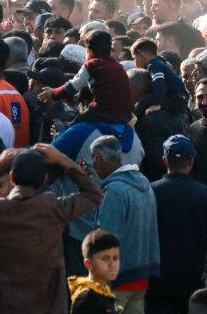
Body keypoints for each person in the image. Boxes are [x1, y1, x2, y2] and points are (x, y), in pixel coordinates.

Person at [0, 143, 103, 314]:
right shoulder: (55, 208)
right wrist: (62, 159)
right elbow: (94, 194)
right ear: (45, 180)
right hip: (44, 304)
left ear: (11, 178)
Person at [147, 135, 207, 314]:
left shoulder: (150, 192)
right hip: (195, 283)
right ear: (192, 161)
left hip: (158, 284)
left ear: (164, 160)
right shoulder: (206, 195)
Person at [90, 134, 159, 314]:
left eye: (93, 161)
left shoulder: (114, 190)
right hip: (141, 273)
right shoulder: (145, 185)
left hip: (118, 277)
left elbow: (106, 238)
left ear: (99, 158)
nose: (93, 166)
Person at [69, 230, 122, 314]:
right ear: (88, 264)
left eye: (115, 258)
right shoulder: (87, 300)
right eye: (104, 259)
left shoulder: (105, 292)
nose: (112, 264)